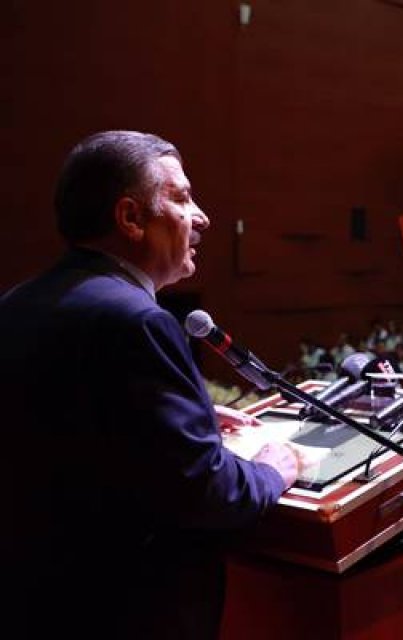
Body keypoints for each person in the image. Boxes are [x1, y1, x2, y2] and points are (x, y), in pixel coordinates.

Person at [0, 131, 300, 639]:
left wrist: (191, 420)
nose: (201, 217)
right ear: (131, 219)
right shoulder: (139, 321)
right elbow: (204, 491)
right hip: (124, 609)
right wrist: (273, 470)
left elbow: (73, 430)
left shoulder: (16, 304)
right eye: (182, 198)